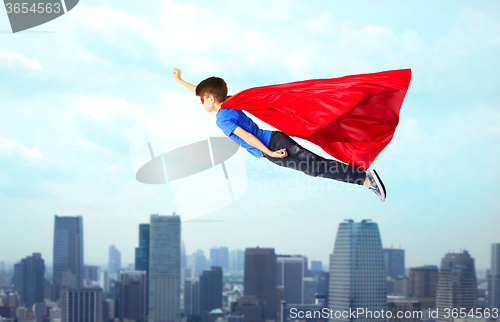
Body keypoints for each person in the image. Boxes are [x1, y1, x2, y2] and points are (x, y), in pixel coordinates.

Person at [173, 68, 387, 201]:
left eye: (202, 99)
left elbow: (247, 137)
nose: (200, 101)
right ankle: (363, 178)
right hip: (274, 140)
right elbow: (201, 90)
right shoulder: (229, 102)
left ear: (211, 98)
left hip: (272, 146)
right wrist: (181, 81)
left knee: (317, 167)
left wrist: (269, 153)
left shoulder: (222, 118)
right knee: (315, 167)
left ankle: (365, 179)